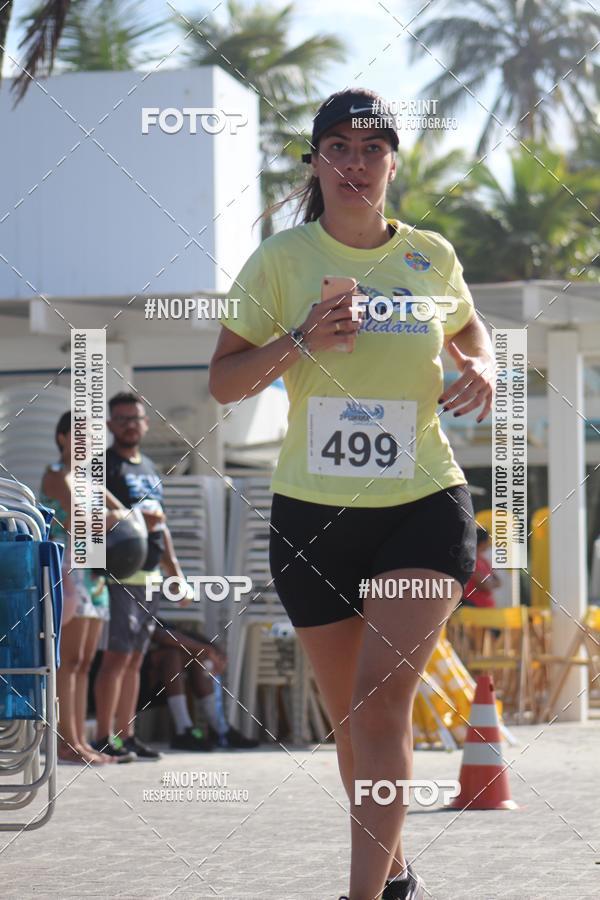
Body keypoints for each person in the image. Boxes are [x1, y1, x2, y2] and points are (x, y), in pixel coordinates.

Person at [209, 88, 494, 900]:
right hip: (312, 515)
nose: (355, 164)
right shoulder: (280, 261)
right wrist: (298, 341)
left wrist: (487, 366)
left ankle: (362, 897)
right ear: (316, 162)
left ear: (394, 163)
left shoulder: (430, 255)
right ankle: (396, 873)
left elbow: (468, 327)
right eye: (338, 147)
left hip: (422, 505)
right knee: (351, 724)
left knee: (377, 705)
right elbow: (224, 383)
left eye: (372, 149)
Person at [92, 392, 188, 762]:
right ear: (110, 425)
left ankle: (126, 735)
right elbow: (89, 518)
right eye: (122, 418)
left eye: (136, 418)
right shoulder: (103, 467)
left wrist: (174, 572)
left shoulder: (148, 466)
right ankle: (103, 736)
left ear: (146, 424)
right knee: (115, 657)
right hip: (117, 576)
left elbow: (160, 525)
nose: (130, 424)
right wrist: (132, 519)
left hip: (149, 575)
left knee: (135, 659)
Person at [40, 411, 123, 765]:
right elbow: (78, 515)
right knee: (68, 660)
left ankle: (80, 740)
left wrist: (104, 517)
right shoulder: (57, 475)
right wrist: (105, 518)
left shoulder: (90, 480)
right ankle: (66, 741)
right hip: (67, 571)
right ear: (62, 438)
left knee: (85, 661)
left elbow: (121, 513)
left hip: (94, 571)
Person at [139, 620, 260, 750]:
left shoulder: (153, 615)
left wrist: (214, 651)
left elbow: (181, 634)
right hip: (135, 687)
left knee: (194, 653)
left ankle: (220, 730)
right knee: (172, 654)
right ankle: (183, 730)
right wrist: (206, 649)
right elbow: (160, 636)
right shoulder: (134, 611)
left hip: (159, 686)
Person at [463, 526, 501, 608]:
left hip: (487, 609)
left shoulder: (484, 560)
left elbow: (499, 582)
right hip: (474, 609)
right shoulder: (470, 561)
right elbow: (485, 585)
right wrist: (490, 583)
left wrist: (489, 584)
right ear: (483, 543)